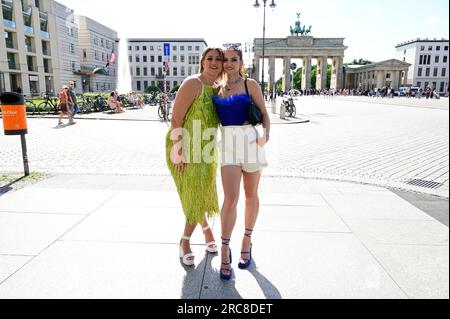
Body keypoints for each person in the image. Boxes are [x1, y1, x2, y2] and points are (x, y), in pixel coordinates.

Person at [212, 46, 270, 280]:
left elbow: (265, 114)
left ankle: (247, 239)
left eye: (234, 59)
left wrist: (265, 136)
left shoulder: (250, 84)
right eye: (226, 60)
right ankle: (225, 247)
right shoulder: (216, 88)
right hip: (227, 145)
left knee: (250, 195)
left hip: (250, 141)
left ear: (241, 62)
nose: (229, 63)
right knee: (231, 198)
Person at [165, 47, 224, 266]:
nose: (214, 62)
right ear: (202, 62)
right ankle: (185, 241)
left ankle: (207, 231)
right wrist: (179, 151)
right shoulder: (193, 83)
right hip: (184, 147)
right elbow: (175, 119)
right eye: (210, 58)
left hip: (207, 149)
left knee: (201, 192)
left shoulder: (219, 89)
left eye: (219, 59)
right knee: (195, 194)